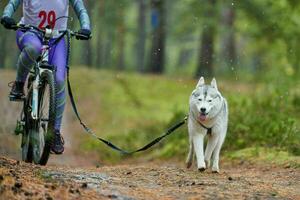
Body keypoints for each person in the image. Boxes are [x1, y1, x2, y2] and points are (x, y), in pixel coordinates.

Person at [1, 0, 91, 154]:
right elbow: (12, 3)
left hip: (57, 38)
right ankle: (19, 83)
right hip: (29, 32)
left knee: (60, 80)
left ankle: (54, 132)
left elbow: (81, 10)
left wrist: (86, 27)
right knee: (34, 48)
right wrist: (6, 16)